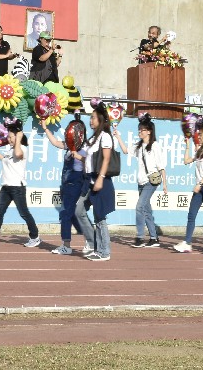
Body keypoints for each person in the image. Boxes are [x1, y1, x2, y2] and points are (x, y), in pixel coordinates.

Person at [0, 119, 41, 249]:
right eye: (9, 137)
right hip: (6, 187)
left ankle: (35, 237)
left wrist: (18, 139)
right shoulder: (10, 150)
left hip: (17, 187)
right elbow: (6, 161)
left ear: (18, 137)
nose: (9, 139)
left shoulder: (22, 149)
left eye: (11, 137)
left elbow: (18, 154)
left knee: (24, 213)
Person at [40, 116, 95, 255]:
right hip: (66, 184)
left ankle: (67, 245)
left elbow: (90, 163)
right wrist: (45, 128)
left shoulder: (86, 147)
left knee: (67, 214)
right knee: (75, 215)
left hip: (76, 183)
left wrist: (78, 156)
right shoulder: (69, 145)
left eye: (73, 130)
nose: (69, 132)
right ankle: (91, 239)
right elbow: (55, 142)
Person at [115, 113, 167, 248]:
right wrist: (118, 136)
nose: (140, 132)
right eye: (139, 129)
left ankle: (139, 237)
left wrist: (165, 184)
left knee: (139, 207)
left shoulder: (155, 145)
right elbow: (125, 150)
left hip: (151, 181)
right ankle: (154, 238)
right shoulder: (139, 146)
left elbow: (161, 166)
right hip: (141, 181)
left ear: (149, 131)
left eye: (142, 130)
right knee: (146, 210)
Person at [173, 123, 203, 255]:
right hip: (200, 186)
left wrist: (200, 184)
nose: (198, 136)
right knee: (191, 214)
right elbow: (186, 161)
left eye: (200, 134)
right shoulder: (200, 150)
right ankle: (187, 243)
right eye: (198, 134)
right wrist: (188, 146)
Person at [84, 100, 117, 261]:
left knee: (100, 217)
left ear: (101, 120)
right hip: (90, 179)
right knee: (93, 215)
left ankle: (104, 252)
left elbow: (106, 159)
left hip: (100, 180)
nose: (91, 120)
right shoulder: (94, 138)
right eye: (90, 117)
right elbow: (86, 158)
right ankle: (97, 248)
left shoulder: (105, 137)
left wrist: (100, 179)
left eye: (93, 117)